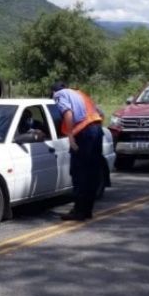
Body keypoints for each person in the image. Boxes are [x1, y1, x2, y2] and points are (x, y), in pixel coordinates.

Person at [51, 81, 104, 221]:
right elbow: (100, 113)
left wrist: (70, 137)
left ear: (53, 92)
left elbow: (68, 113)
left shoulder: (59, 95)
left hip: (84, 134)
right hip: (97, 129)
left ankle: (78, 211)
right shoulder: (79, 93)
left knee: (79, 172)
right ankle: (87, 211)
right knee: (92, 172)